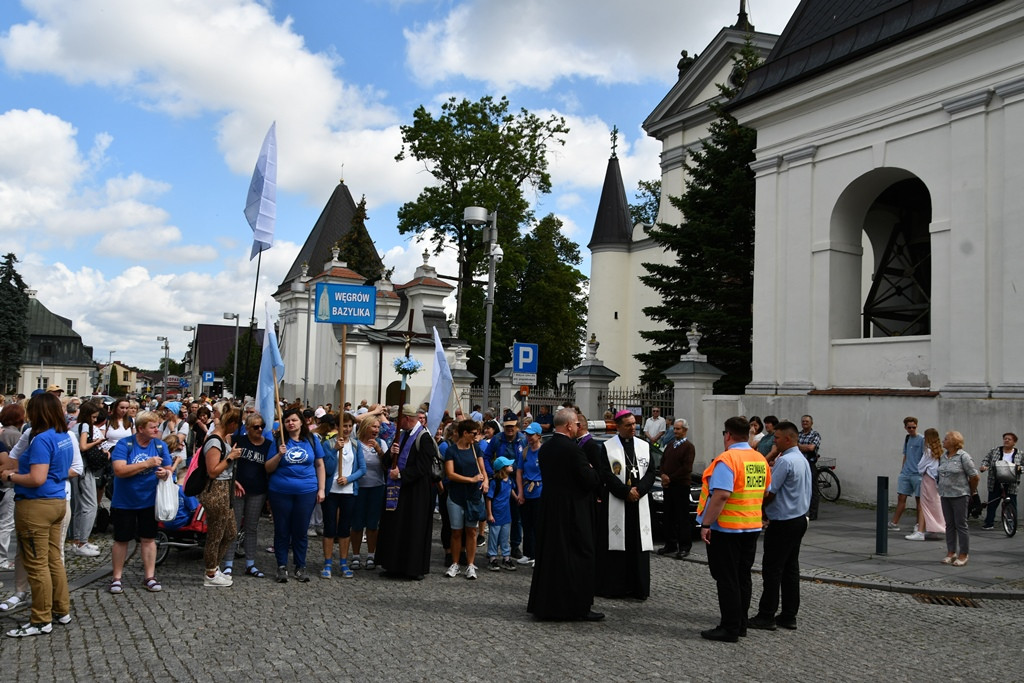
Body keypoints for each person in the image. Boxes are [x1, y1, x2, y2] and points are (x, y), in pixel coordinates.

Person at [1, 393, 76, 637]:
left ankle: (41, 619)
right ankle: (61, 609)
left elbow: (36, 478)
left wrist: (9, 476)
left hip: (36, 505)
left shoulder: (42, 439)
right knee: (54, 559)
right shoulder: (63, 435)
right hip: (56, 501)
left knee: (36, 564)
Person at [697, 416, 771, 643]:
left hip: (727, 529)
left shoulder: (727, 459)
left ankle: (728, 628)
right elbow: (766, 492)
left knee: (727, 579)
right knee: (742, 577)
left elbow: (721, 495)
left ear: (727, 435)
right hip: (751, 526)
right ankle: (740, 624)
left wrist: (706, 524)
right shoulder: (759, 459)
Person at [527, 408, 602, 621]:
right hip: (573, 511)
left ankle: (547, 604)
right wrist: (592, 470)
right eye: (577, 424)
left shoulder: (546, 448)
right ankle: (578, 607)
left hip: (550, 509)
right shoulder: (573, 450)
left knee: (551, 557)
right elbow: (591, 479)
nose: (579, 427)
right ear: (569, 425)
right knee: (580, 555)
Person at [749, 420, 812, 631]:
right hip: (798, 518)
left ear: (787, 438)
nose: (773, 442)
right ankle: (788, 614)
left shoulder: (785, 462)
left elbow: (770, 492)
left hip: (783, 521)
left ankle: (767, 614)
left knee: (773, 569)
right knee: (790, 569)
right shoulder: (801, 459)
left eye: (776, 438)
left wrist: (757, 505)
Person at [109, 410, 173, 595]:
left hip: (149, 501)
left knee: (149, 538)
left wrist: (165, 473)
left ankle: (150, 577)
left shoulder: (160, 446)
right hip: (124, 501)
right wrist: (147, 464)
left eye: (157, 426)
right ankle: (117, 578)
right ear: (140, 428)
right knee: (121, 540)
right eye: (152, 427)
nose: (156, 430)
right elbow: (119, 470)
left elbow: (169, 469)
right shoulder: (125, 444)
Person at [595, 410, 656, 600]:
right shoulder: (607, 447)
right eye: (628, 425)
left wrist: (638, 491)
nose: (633, 428)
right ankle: (616, 587)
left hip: (639, 503)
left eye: (634, 424)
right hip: (617, 501)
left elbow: (651, 473)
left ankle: (638, 588)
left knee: (638, 545)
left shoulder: (644, 446)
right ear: (619, 427)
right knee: (616, 546)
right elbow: (606, 473)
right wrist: (625, 492)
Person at [377, 404, 440, 580]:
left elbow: (424, 467)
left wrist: (402, 474)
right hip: (400, 490)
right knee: (396, 527)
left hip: (416, 492)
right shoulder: (403, 435)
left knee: (413, 529)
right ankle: (393, 565)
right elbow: (389, 461)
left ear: (406, 418)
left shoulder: (424, 438)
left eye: (398, 419)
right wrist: (391, 453)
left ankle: (413, 568)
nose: (396, 423)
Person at [265, 408, 326, 583]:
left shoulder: (312, 440)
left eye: (294, 420)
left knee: (301, 530)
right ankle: (282, 566)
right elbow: (268, 468)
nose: (291, 423)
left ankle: (300, 566)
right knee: (282, 530)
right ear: (283, 424)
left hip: (306, 491)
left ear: (302, 422)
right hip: (281, 491)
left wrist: (321, 489)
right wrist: (279, 455)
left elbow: (320, 465)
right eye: (287, 421)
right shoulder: (277, 441)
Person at [224, 412, 276, 578]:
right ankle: (228, 564)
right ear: (247, 428)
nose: (259, 429)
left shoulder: (268, 444)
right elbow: (227, 457)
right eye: (255, 427)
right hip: (238, 489)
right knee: (233, 526)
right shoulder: (240, 440)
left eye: (262, 426)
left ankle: (250, 563)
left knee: (251, 528)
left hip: (258, 491)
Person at [197, 404, 243, 587]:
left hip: (226, 489)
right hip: (215, 491)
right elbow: (213, 471)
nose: (238, 428)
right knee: (216, 534)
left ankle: (215, 567)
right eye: (237, 424)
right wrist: (231, 457)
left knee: (231, 532)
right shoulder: (215, 441)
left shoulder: (223, 439)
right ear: (231, 422)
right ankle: (210, 573)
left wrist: (233, 479)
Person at [321, 413, 366, 579]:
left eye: (349, 426)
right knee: (330, 527)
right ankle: (327, 563)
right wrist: (334, 451)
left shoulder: (356, 444)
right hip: (331, 491)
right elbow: (327, 467)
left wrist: (349, 479)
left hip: (349, 492)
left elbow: (362, 469)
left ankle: (343, 562)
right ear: (337, 427)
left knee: (345, 528)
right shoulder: (328, 444)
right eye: (344, 426)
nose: (347, 429)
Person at [441, 419, 487, 580]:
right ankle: (455, 563)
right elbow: (450, 474)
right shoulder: (452, 451)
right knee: (456, 531)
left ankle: (470, 564)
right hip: (456, 496)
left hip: (473, 496)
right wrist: (471, 480)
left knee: (472, 531)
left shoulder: (476, 449)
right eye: (474, 433)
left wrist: (485, 481)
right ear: (465, 433)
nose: (477, 436)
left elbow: (482, 468)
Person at [349, 416, 387, 570]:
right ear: (365, 428)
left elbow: (387, 465)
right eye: (373, 427)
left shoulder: (382, 443)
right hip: (359, 487)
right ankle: (356, 555)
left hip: (376, 486)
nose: (376, 430)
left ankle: (371, 554)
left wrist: (379, 451)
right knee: (357, 523)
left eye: (378, 427)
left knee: (373, 523)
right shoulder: (355, 444)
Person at [937, 431, 979, 566]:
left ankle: (963, 554)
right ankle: (951, 552)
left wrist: (970, 492)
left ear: (954, 442)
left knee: (961, 525)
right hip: (945, 495)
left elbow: (974, 476)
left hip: (960, 495)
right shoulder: (943, 456)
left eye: (946, 439)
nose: (943, 441)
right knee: (949, 524)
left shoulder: (964, 457)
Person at [656, 418, 695, 559]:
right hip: (668, 486)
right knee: (669, 516)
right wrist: (663, 475)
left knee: (682, 517)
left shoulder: (688, 447)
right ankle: (670, 543)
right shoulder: (671, 445)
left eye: (678, 429)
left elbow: (686, 467)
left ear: (685, 430)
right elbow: (663, 461)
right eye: (675, 428)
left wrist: (670, 478)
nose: (675, 431)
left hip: (681, 486)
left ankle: (684, 546)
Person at [69, 402, 104, 557]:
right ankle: (82, 542)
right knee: (90, 505)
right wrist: (98, 442)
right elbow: (83, 447)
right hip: (83, 469)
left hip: (76, 470)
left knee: (78, 507)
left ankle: (77, 541)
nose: (95, 421)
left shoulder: (74, 426)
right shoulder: (84, 426)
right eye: (94, 417)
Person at [488, 417, 526, 559]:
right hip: (500, 480)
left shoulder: (522, 439)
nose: (510, 429)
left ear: (517, 426)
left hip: (517, 480)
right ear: (504, 426)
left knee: (516, 517)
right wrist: (492, 473)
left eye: (513, 426)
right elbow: (487, 456)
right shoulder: (497, 439)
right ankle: (494, 550)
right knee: (498, 515)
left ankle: (514, 546)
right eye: (507, 426)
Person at [979, 433, 1023, 530]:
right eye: (1005, 439)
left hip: (1011, 482)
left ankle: (1012, 524)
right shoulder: (995, 451)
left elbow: (1022, 466)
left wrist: (1020, 469)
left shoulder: (1020, 453)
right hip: (995, 481)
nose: (1006, 440)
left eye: (1009, 439)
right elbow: (986, 460)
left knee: (1011, 503)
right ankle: (989, 523)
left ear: (1014, 442)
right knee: (992, 503)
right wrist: (984, 466)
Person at [906, 428, 945, 541]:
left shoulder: (928, 451)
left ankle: (920, 531)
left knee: (924, 505)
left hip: (928, 479)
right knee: (933, 504)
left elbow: (921, 466)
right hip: (935, 480)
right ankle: (932, 529)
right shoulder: (939, 451)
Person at [889, 417, 924, 531]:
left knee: (919, 501)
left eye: (914, 427)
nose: (911, 429)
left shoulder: (922, 439)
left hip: (917, 474)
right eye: (909, 427)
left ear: (917, 426)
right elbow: (906, 454)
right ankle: (894, 523)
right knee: (901, 497)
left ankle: (918, 525)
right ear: (905, 427)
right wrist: (902, 469)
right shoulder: (907, 438)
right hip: (906, 473)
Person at [516, 421, 543, 567]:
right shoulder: (525, 452)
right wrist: (520, 492)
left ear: (539, 436)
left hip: (539, 492)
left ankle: (538, 554)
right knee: (526, 524)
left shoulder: (543, 452)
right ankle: (528, 553)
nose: (529, 437)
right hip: (526, 491)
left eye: (532, 435)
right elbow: (519, 472)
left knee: (538, 525)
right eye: (527, 434)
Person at [486, 456, 516, 571]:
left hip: (506, 514)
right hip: (496, 514)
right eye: (508, 465)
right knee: (494, 536)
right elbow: (489, 498)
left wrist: (517, 497)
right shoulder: (495, 483)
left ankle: (506, 557)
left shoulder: (509, 480)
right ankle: (492, 557)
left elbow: (511, 489)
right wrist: (489, 514)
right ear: (503, 468)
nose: (511, 466)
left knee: (504, 537)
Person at [797, 415, 821, 520]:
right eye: (803, 421)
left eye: (807, 421)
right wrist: (803, 447)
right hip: (799, 464)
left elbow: (811, 448)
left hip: (809, 463)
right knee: (799, 488)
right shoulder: (798, 434)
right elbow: (793, 446)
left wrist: (799, 446)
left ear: (811, 423)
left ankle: (813, 513)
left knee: (812, 489)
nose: (804, 423)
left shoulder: (815, 435)